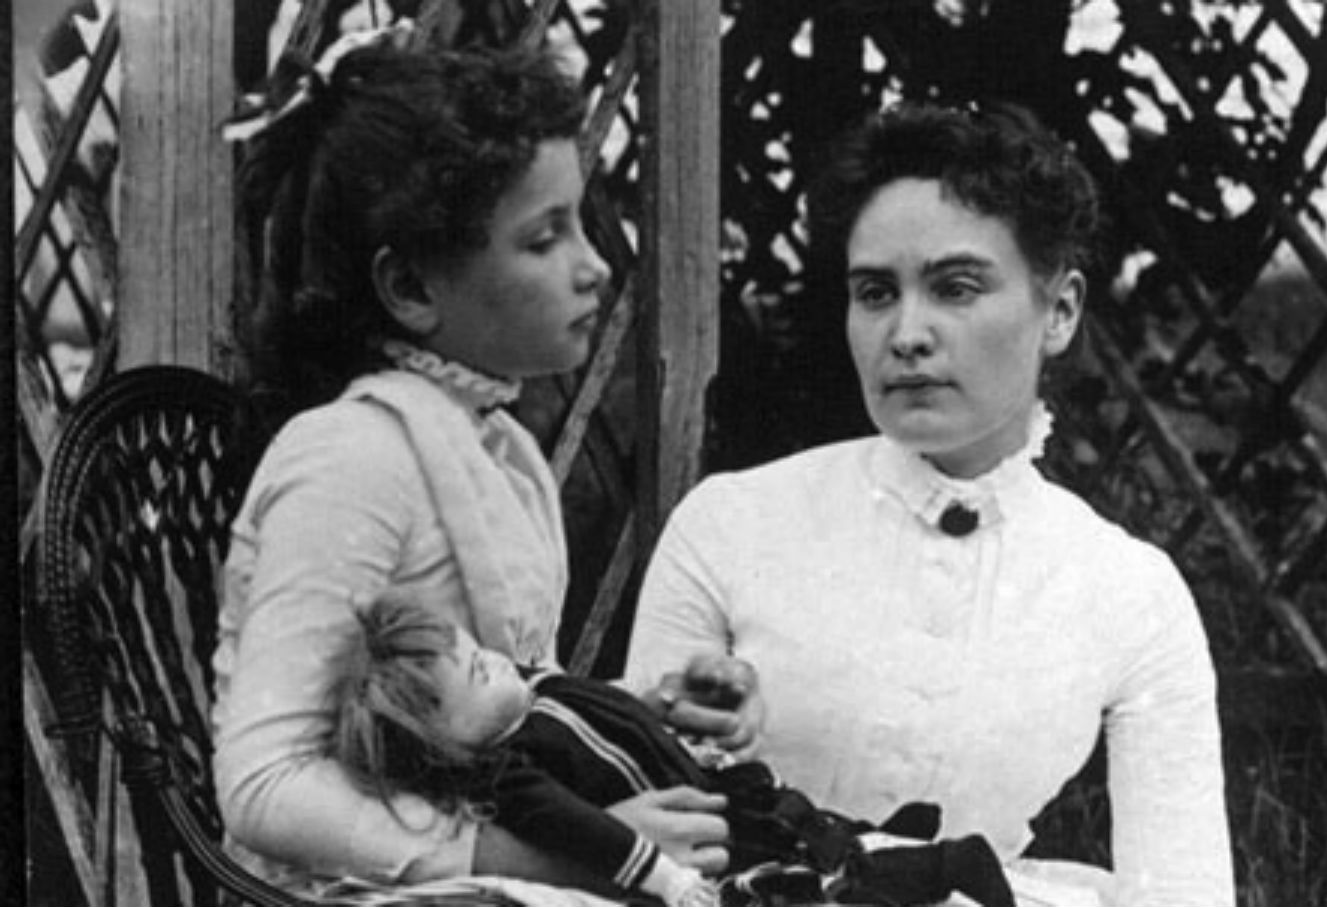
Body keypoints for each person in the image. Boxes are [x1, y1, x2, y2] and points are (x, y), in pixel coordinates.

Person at [624, 102, 1234, 907]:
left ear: (1059, 311)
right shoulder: (731, 523)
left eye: (955, 287)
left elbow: (1185, 890)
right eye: (876, 293)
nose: (907, 333)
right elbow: (631, 823)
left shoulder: (1131, 590)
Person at [211, 24, 753, 893]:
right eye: (545, 239)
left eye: (583, 224)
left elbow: (494, 709)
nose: (595, 267)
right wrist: (563, 854)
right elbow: (264, 784)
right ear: (411, 288)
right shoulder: (350, 461)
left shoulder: (493, 445)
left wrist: (639, 711)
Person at [330, 596, 1018, 907]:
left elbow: (617, 711)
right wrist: (667, 882)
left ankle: (897, 851)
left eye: (480, 652)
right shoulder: (510, 773)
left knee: (803, 828)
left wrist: (667, 706)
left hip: (714, 786)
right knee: (791, 874)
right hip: (703, 830)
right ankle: (930, 866)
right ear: (447, 748)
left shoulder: (544, 691)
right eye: (478, 677)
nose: (495, 662)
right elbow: (588, 831)